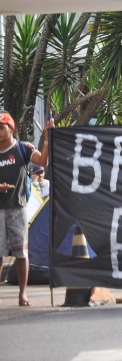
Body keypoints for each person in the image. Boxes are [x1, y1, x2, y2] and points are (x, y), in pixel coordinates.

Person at [0, 111, 54, 306]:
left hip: (18, 209)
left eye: (1, 127)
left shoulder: (22, 148)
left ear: (11, 128)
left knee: (21, 253)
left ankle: (22, 295)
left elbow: (43, 162)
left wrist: (47, 139)